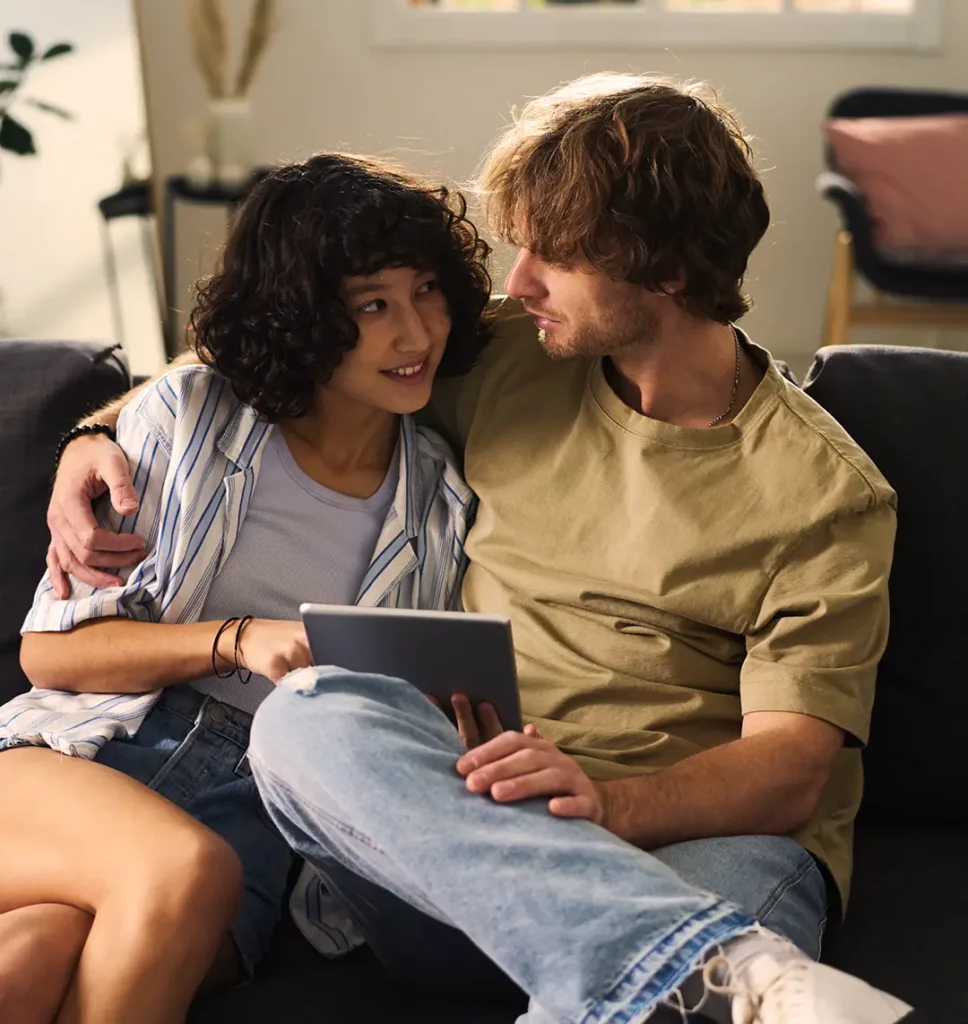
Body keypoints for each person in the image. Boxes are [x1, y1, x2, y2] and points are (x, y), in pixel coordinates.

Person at [38, 74, 914, 1024]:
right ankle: (666, 965)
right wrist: (91, 434)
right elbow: (280, 362)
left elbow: (789, 769)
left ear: (664, 274)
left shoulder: (827, 495)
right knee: (307, 713)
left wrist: (607, 807)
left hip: (693, 842)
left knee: (675, 984)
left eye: (557, 256)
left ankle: (660, 972)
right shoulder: (518, 356)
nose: (519, 282)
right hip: (459, 839)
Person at [0, 153, 491, 1024]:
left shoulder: (444, 503)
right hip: (81, 759)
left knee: (36, 952)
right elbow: (50, 651)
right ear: (303, 315)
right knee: (182, 869)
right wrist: (235, 639)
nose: (415, 335)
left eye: (426, 292)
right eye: (373, 305)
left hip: (258, 823)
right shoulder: (192, 417)